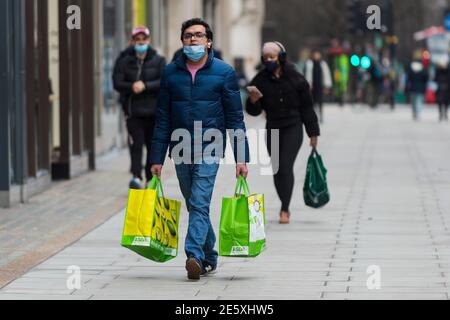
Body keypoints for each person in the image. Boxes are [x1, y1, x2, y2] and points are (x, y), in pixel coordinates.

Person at [149, 18, 250, 280]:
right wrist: (156, 158)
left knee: (200, 201)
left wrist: (242, 158)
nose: (192, 40)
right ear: (182, 41)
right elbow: (162, 119)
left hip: (211, 146)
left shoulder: (224, 72)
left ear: (208, 42)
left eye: (198, 35)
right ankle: (210, 255)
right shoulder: (171, 73)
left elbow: (235, 118)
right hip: (180, 148)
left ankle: (193, 255)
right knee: (194, 204)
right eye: (187, 36)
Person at [246, 42, 320, 225]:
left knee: (286, 165)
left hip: (293, 126)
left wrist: (313, 133)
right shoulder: (260, 80)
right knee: (277, 169)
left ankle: (285, 208)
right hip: (273, 126)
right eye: (266, 57)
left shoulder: (296, 78)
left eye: (273, 56)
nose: (270, 60)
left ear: (282, 56)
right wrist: (253, 101)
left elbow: (307, 108)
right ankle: (283, 201)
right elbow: (253, 111)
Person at [113, 27, 166, 190]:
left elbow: (164, 82)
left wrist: (145, 85)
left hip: (153, 113)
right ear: (133, 42)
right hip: (133, 112)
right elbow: (117, 82)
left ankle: (150, 178)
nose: (141, 43)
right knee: (135, 145)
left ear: (149, 41)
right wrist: (131, 86)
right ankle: (136, 176)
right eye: (138, 40)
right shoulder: (124, 61)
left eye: (144, 40)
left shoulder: (158, 60)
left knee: (151, 145)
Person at [305, 49, 332, 123]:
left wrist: (327, 86)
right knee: (312, 103)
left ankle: (320, 116)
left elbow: (326, 75)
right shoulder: (309, 64)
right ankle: (313, 116)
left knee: (320, 102)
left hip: (319, 86)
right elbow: (307, 75)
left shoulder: (322, 64)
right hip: (312, 87)